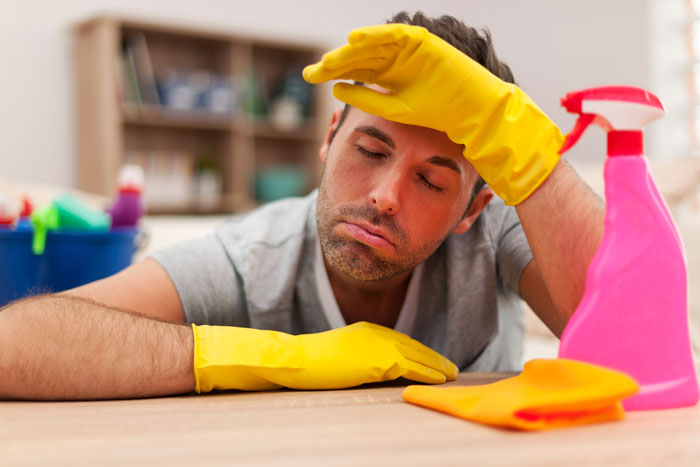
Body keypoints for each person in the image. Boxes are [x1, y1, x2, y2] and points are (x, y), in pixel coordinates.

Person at [0, 11, 603, 400]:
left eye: (432, 182)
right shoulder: (250, 259)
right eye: (370, 148)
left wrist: (525, 148)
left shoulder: (496, 234)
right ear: (329, 135)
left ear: (473, 209)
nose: (384, 196)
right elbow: (15, 344)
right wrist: (276, 355)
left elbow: (635, 339)